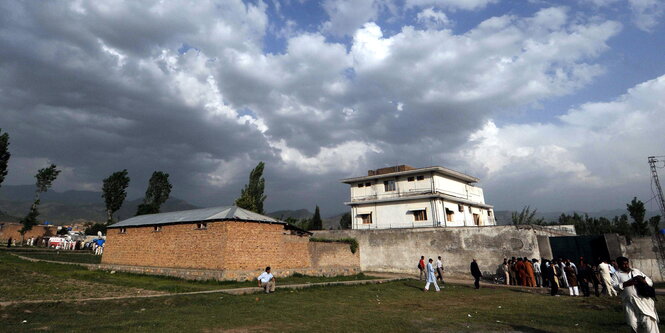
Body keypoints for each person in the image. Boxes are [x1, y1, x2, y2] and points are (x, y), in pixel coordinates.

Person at [612, 256, 659, 333]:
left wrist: (644, 281)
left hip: (643, 300)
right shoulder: (616, 274)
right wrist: (626, 283)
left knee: (648, 321)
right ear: (619, 265)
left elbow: (650, 282)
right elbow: (614, 286)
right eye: (623, 264)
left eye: (627, 264)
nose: (626, 265)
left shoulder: (636, 271)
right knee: (633, 323)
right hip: (629, 302)